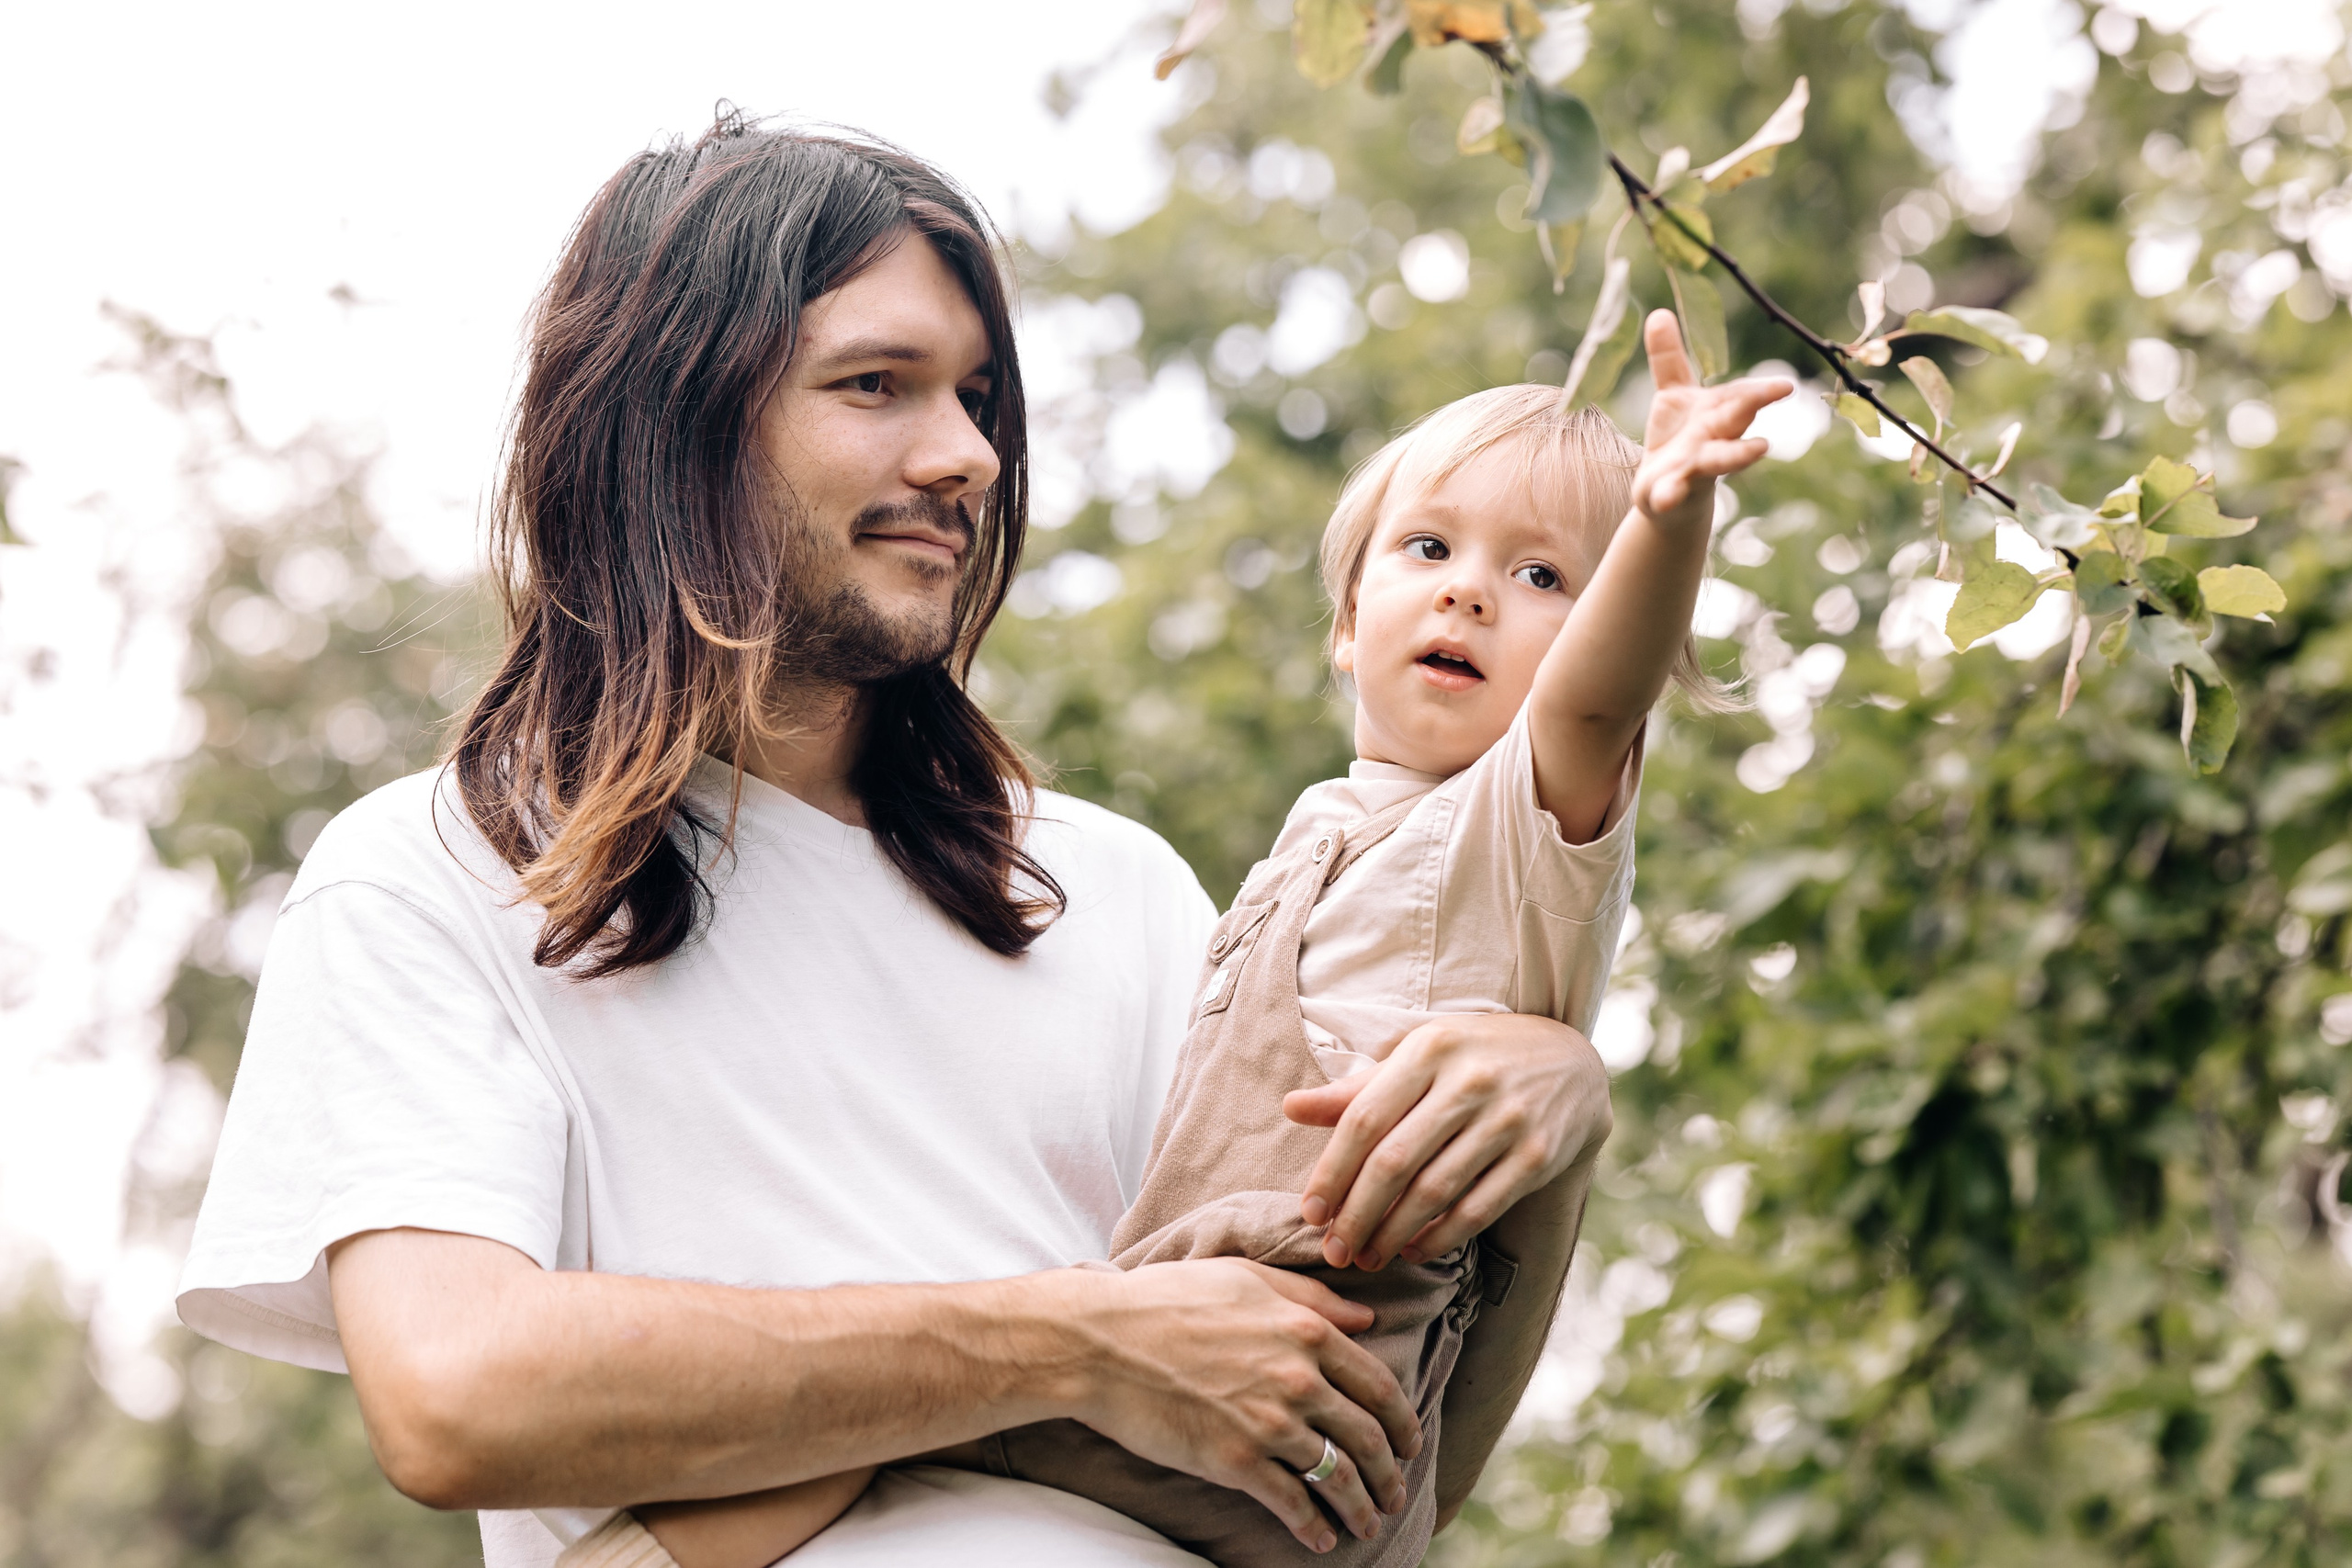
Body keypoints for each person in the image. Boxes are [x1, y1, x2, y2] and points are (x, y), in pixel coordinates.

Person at [174, 116, 1616, 1568]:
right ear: (669, 420)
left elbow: (1362, 1444)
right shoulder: (435, 875)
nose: (968, 456)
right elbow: (457, 1394)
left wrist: (1549, 1094)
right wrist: (1078, 1346)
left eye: (978, 399)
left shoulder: (1114, 893)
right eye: (877, 384)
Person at [607, 312, 1792, 1566]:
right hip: (1233, 1341)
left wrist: (1668, 520)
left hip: (1315, 1353)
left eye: (1546, 578)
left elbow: (1597, 697)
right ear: (1348, 621)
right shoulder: (1323, 828)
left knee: (883, 1412)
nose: (1470, 590)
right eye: (1430, 547)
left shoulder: (1521, 824)